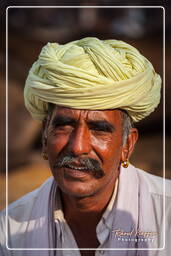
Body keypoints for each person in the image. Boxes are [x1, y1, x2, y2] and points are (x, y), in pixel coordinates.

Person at [0, 37, 170, 256]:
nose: (78, 147)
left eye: (99, 129)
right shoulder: (9, 233)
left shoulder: (165, 217)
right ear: (44, 137)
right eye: (64, 126)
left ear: (127, 144)